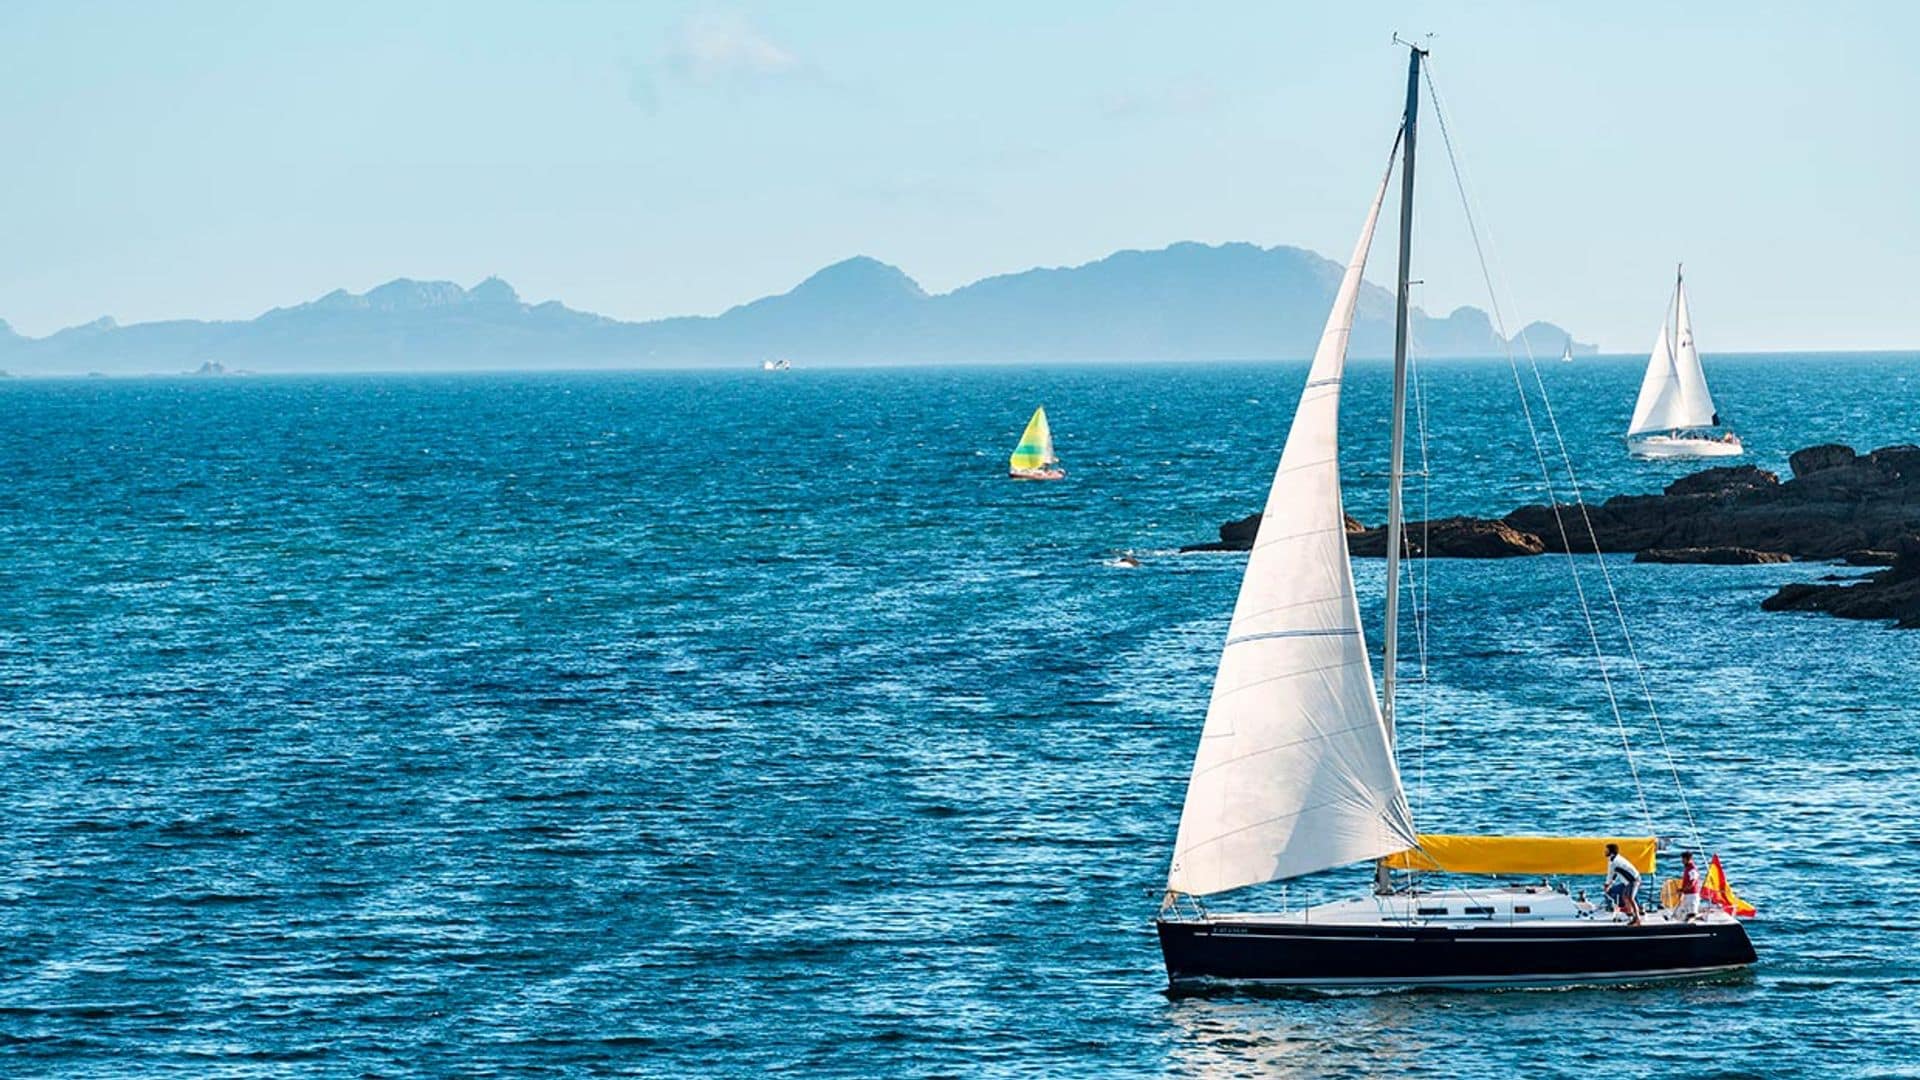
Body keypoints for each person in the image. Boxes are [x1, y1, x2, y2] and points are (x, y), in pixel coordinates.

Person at [1604, 842, 1643, 925]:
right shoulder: (1613, 860)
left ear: (1611, 852)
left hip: (1633, 880)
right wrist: (1610, 884)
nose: (1605, 852)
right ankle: (1632, 916)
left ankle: (1638, 919)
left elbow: (1610, 875)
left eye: (1606, 850)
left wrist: (1607, 885)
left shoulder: (1615, 861)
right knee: (1625, 896)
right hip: (1628, 882)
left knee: (1630, 898)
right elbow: (1614, 874)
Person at [1679, 851, 1702, 922]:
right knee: (1684, 912)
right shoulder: (1687, 868)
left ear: (1687, 859)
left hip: (1692, 895)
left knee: (1692, 914)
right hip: (1687, 894)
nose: (1682, 861)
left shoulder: (1692, 869)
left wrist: (1683, 889)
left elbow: (1692, 882)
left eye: (1683, 859)